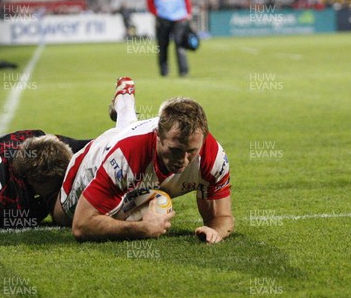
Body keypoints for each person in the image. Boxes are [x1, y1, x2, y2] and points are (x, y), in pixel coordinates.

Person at [54, 77, 233, 244]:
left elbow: (222, 218)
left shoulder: (213, 156)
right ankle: (124, 101)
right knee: (61, 217)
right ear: (158, 136)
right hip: (94, 159)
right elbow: (81, 226)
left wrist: (214, 231)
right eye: (175, 151)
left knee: (129, 133)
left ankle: (124, 97)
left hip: (134, 152)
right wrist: (142, 229)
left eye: (191, 152)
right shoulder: (125, 157)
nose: (183, 160)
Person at [145, 0, 192, 77]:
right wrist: (156, 12)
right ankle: (164, 72)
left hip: (179, 17)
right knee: (162, 46)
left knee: (180, 44)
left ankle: (183, 71)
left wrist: (188, 12)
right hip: (163, 18)